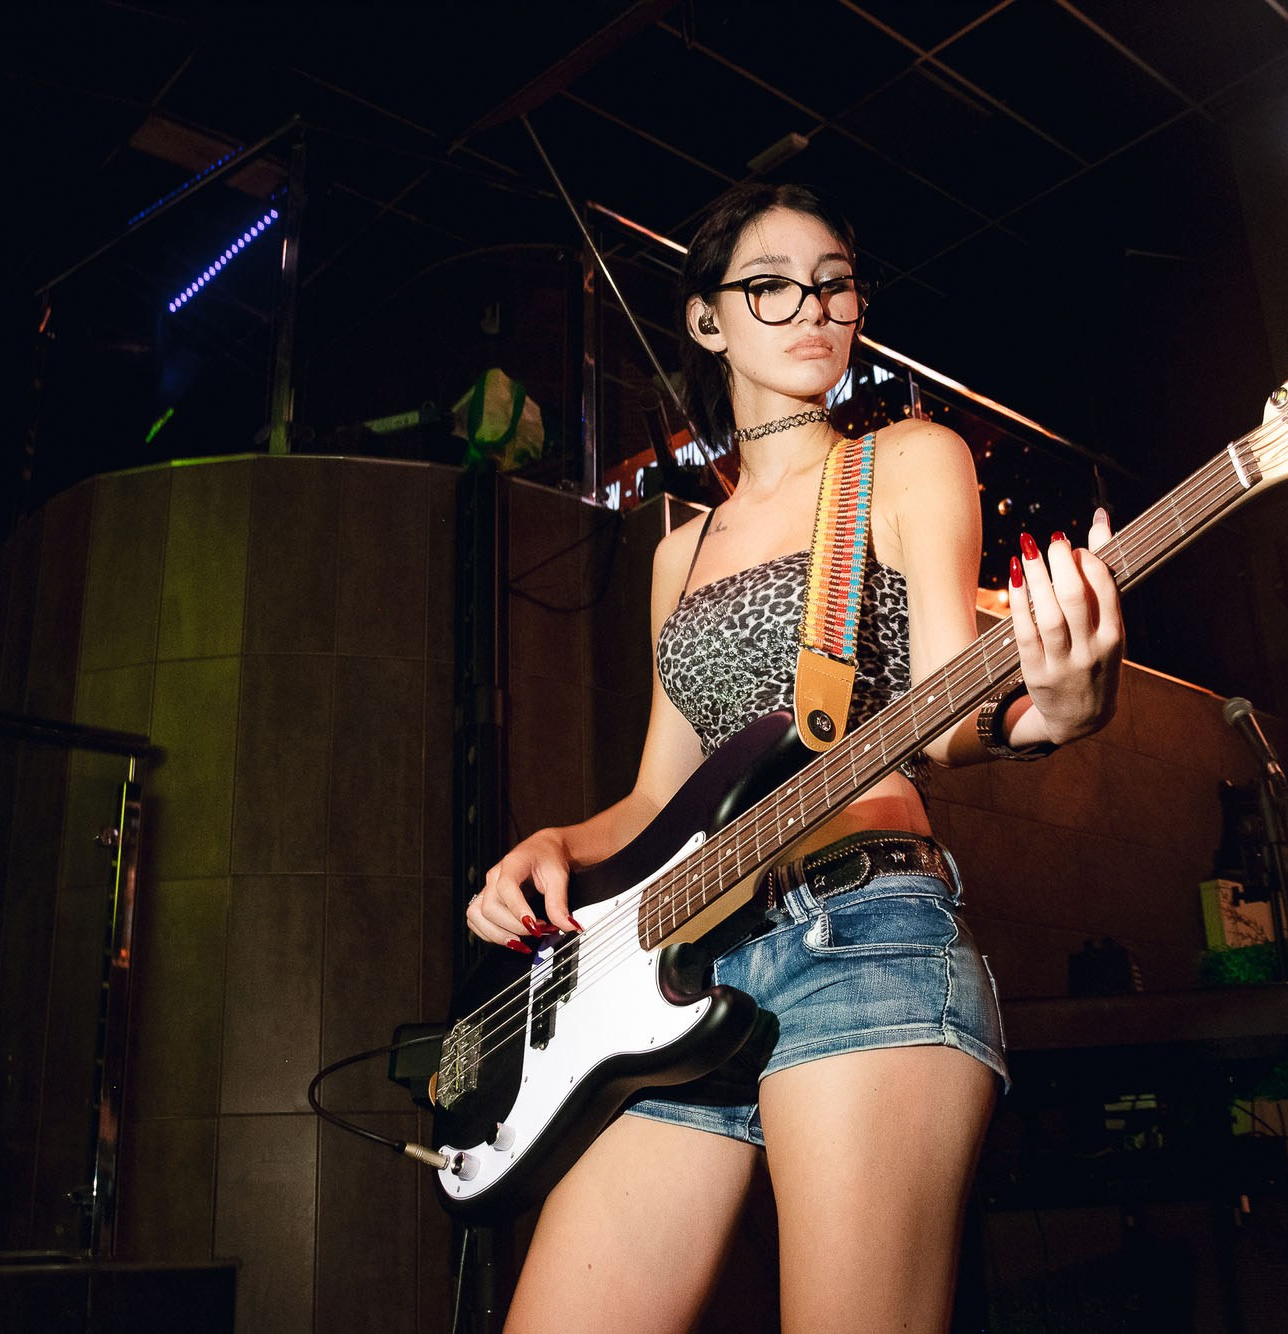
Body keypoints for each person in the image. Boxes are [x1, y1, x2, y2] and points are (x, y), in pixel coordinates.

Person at [463, 182, 1125, 1332]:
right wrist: (558, 843)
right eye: (770, 285)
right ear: (706, 320)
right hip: (686, 971)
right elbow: (661, 794)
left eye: (833, 283)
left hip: (860, 936)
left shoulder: (908, 459)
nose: (812, 307)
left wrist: (1049, 713)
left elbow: (938, 710)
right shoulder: (682, 546)